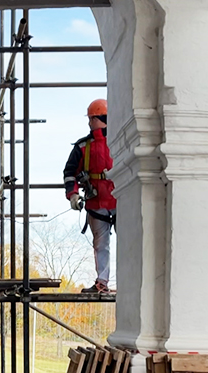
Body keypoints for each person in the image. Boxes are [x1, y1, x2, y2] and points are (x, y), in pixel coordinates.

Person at [64, 98, 116, 295]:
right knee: (101, 244)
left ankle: (122, 281)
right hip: (98, 202)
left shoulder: (116, 141)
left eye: (91, 119)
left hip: (118, 200)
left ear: (98, 118)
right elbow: (69, 172)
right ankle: (102, 282)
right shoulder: (83, 146)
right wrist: (73, 194)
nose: (89, 122)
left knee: (110, 243)